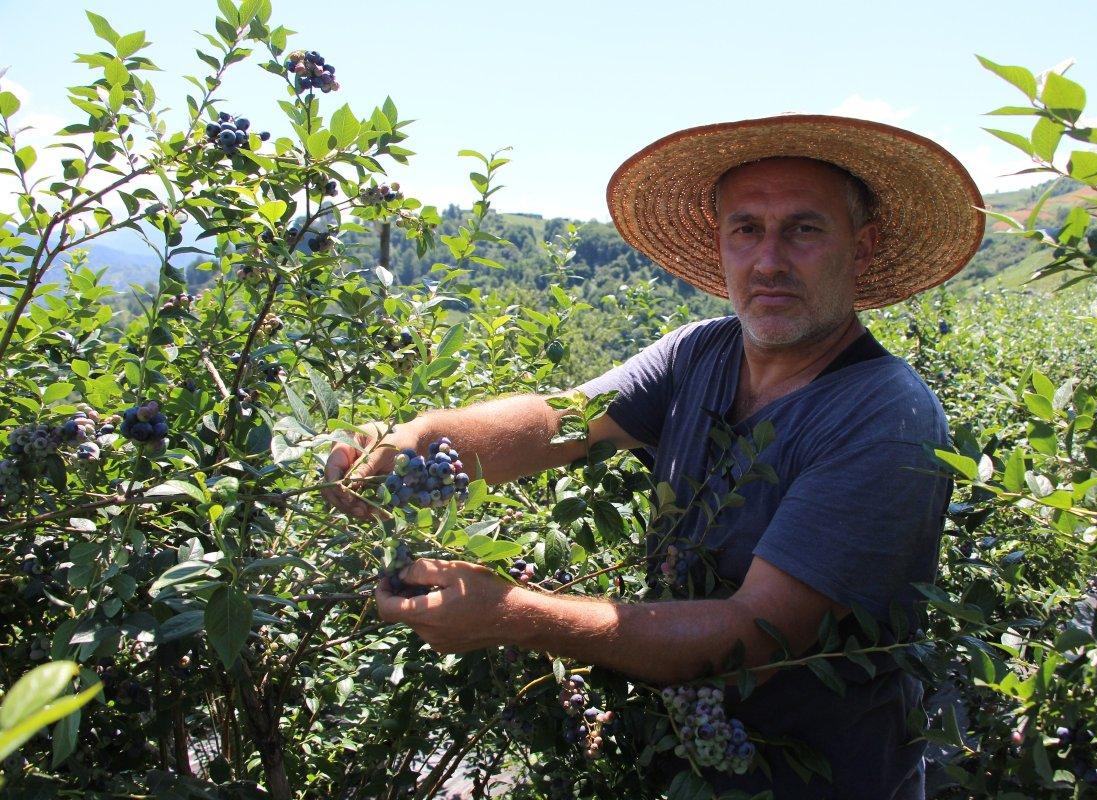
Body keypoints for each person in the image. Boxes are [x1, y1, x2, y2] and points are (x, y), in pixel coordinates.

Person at [322, 113, 984, 798]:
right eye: (746, 229)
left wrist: (509, 613)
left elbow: (748, 635)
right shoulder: (700, 353)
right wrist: (418, 441)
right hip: (688, 769)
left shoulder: (883, 416)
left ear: (864, 247)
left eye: (805, 229)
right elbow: (557, 420)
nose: (769, 260)